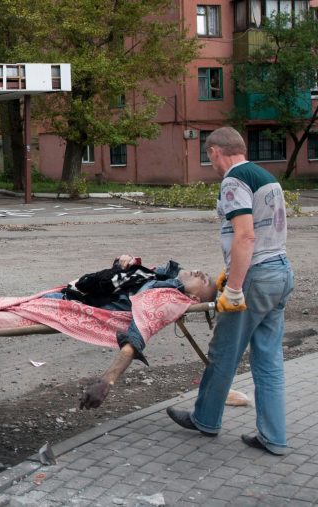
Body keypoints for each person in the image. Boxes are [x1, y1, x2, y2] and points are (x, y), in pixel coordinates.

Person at [165, 126, 293, 456]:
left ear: (215, 152)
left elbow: (246, 236)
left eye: (209, 157)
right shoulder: (267, 176)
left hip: (255, 278)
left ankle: (205, 419)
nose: (212, 163)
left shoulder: (234, 180)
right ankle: (274, 437)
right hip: (279, 271)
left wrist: (234, 288)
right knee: (268, 359)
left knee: (223, 353)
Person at [59, 255, 217, 409]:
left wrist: (106, 382)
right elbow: (128, 277)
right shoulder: (165, 277)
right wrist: (125, 262)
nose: (199, 272)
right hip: (80, 290)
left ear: (194, 298)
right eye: (203, 273)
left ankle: (216, 390)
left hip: (71, 301)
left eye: (204, 279)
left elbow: (136, 339)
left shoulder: (167, 299)